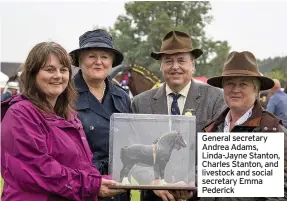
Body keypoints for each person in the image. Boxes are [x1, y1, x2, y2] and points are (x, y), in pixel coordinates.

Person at [1, 42, 126, 201]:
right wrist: (92, 185)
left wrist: (111, 179)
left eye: (63, 70)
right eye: (50, 69)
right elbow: (39, 169)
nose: (58, 76)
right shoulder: (21, 114)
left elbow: (83, 165)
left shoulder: (68, 114)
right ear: (33, 74)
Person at [132, 30, 225, 201]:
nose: (175, 67)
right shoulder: (140, 103)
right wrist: (153, 181)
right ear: (161, 66)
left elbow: (220, 155)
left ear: (193, 64)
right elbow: (136, 152)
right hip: (156, 197)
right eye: (168, 61)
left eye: (181, 60)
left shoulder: (215, 99)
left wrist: (193, 182)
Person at [204, 51, 287, 201]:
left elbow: (281, 192)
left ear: (256, 90)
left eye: (243, 84)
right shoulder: (213, 128)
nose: (235, 89)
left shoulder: (272, 131)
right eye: (230, 83)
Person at [70, 29, 132, 201]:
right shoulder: (64, 96)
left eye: (104, 56)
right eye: (91, 56)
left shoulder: (122, 97)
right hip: (81, 189)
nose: (98, 62)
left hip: (118, 190)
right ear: (80, 60)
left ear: (111, 62)